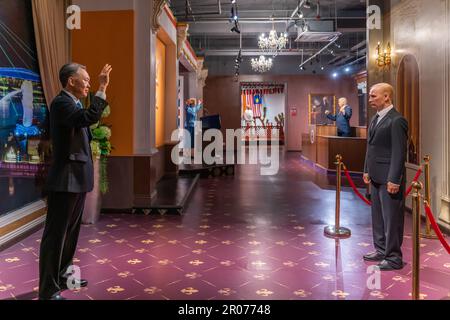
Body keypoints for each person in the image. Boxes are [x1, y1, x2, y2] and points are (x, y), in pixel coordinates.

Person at [39, 63, 112, 300]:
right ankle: (48, 290)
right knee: (56, 236)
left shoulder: (73, 103)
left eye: (92, 81)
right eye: (86, 79)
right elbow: (88, 118)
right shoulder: (62, 103)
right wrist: (102, 87)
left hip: (76, 178)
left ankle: (62, 276)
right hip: (65, 180)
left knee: (70, 234)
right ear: (71, 81)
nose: (89, 83)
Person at [363, 83, 408, 271]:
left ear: (387, 97)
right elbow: (371, 146)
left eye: (374, 96)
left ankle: (394, 257)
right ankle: (381, 250)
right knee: (378, 218)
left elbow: (399, 153)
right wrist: (366, 169)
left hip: (389, 179)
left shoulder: (397, 120)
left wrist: (394, 180)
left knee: (392, 219)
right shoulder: (376, 118)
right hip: (375, 176)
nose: (370, 99)